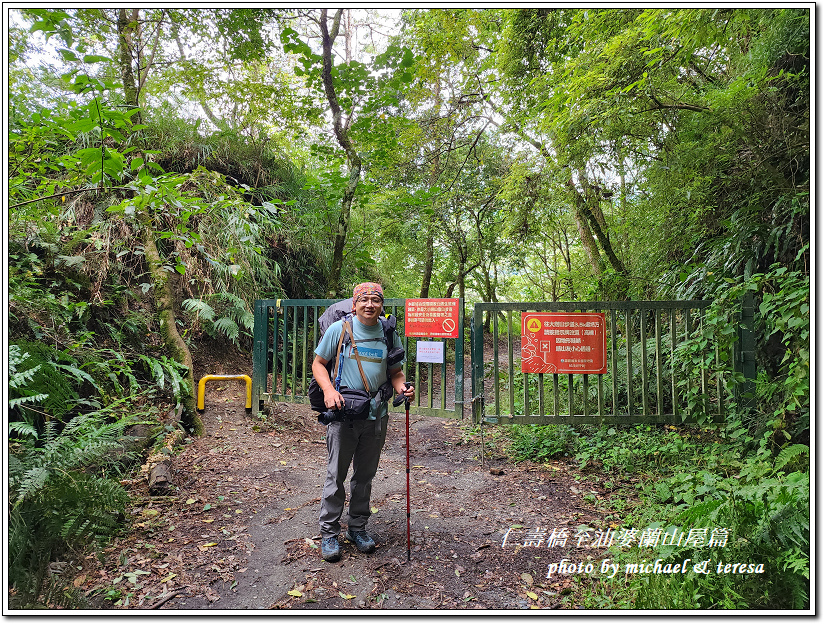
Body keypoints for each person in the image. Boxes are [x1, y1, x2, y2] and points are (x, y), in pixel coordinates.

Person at [311, 282, 414, 562]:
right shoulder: (340, 330)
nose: (370, 304)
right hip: (344, 416)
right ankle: (329, 533)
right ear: (354, 303)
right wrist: (329, 392)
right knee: (336, 476)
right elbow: (318, 364)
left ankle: (357, 528)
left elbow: (395, 371)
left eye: (376, 300)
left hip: (376, 416)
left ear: (382, 305)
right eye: (364, 299)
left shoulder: (389, 334)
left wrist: (402, 387)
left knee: (365, 477)